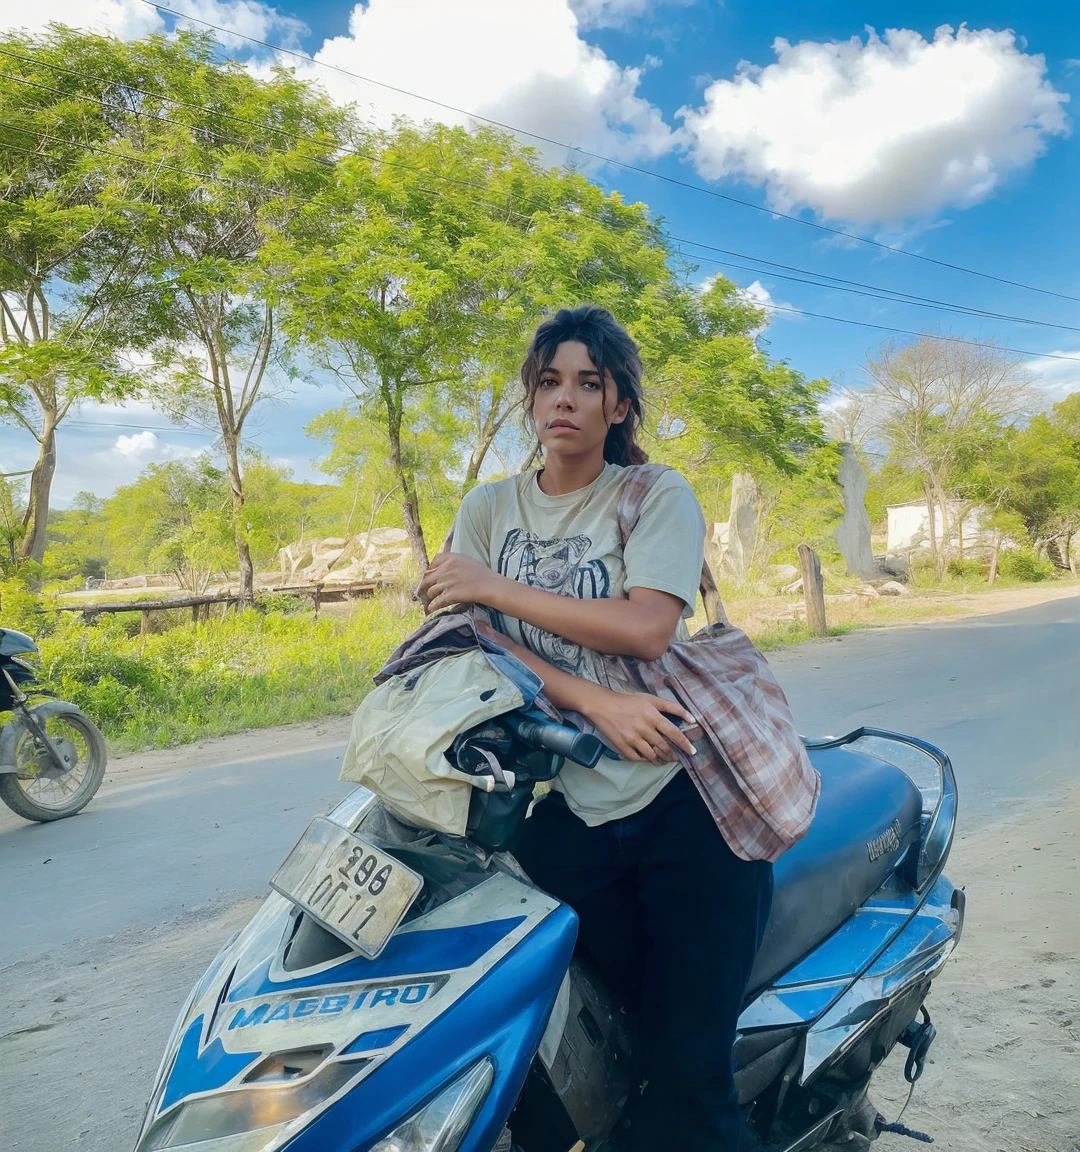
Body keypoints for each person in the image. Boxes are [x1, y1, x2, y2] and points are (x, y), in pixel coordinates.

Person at [417, 305, 772, 1152]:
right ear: (530, 401)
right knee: (566, 1041)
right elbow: (463, 637)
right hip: (573, 804)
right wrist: (589, 700)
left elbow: (648, 626)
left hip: (689, 805)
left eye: (589, 383)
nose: (564, 400)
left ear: (618, 406)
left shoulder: (654, 494)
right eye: (548, 382)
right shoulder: (488, 509)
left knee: (688, 1078)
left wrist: (493, 589)